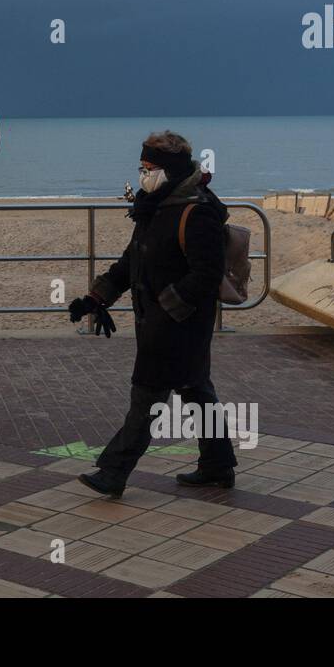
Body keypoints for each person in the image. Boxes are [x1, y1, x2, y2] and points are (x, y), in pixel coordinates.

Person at [68, 130, 237, 496]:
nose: (144, 174)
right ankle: (217, 465)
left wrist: (169, 307)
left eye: (150, 167)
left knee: (145, 399)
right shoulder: (154, 206)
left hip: (179, 325)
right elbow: (132, 263)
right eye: (141, 167)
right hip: (157, 320)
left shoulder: (197, 210)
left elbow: (207, 273)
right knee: (196, 389)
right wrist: (96, 298)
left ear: (171, 169)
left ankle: (113, 472)